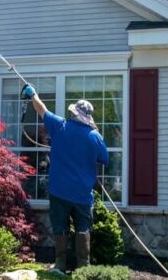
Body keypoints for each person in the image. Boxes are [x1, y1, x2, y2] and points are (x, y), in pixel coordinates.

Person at [22, 84, 108, 273]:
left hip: (59, 191)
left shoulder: (60, 125)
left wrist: (33, 94)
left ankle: (60, 265)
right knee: (82, 228)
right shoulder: (95, 136)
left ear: (74, 113)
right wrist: (94, 132)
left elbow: (42, 108)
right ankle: (83, 267)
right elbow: (105, 158)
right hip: (82, 194)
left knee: (60, 227)